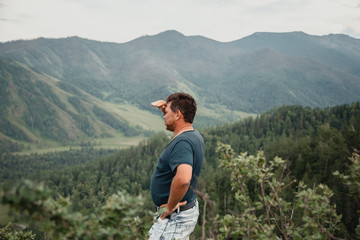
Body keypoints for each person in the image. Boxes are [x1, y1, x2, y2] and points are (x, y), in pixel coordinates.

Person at [149, 92, 205, 240]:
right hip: (181, 213)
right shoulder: (193, 135)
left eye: (166, 113)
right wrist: (168, 113)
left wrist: (169, 206)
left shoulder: (182, 143)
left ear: (178, 114)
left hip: (174, 218)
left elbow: (183, 179)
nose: (163, 116)